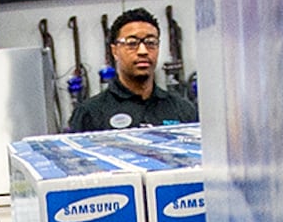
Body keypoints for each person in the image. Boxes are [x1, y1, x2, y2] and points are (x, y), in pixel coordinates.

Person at [65, 7, 196, 132]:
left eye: (150, 42)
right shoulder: (89, 114)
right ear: (115, 51)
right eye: (132, 43)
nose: (143, 51)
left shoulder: (183, 110)